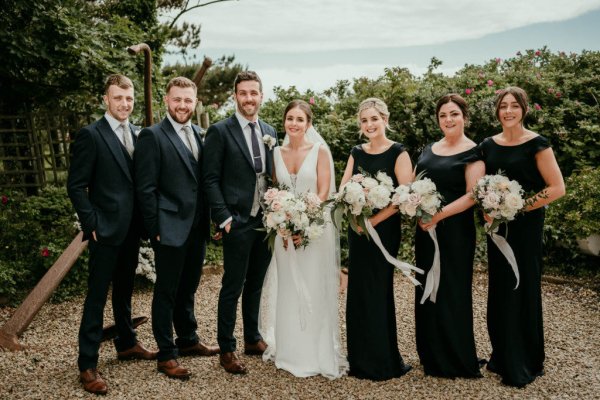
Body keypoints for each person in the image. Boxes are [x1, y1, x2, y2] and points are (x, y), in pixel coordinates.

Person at [67, 74, 157, 395]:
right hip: (104, 229)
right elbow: (76, 185)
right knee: (96, 295)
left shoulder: (139, 134)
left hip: (133, 229)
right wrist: (91, 220)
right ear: (106, 99)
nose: (124, 104)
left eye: (129, 98)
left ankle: (126, 343)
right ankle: (87, 363)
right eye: (118, 98)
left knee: (124, 290)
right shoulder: (91, 135)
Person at [478, 87, 565, 387]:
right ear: (497, 111)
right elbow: (481, 186)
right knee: (501, 287)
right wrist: (489, 207)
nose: (508, 111)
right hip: (497, 228)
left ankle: (526, 357)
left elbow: (556, 188)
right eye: (503, 106)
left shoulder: (537, 144)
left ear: (524, 109)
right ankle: (502, 354)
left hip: (525, 227)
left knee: (523, 284)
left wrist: (518, 206)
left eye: (514, 106)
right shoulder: (488, 145)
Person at [135, 76, 218, 381]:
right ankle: (166, 354)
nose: (183, 105)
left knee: (189, 287)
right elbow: (145, 189)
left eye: (188, 100)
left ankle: (188, 339)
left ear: (195, 103)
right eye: (177, 99)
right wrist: (154, 228)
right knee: (167, 291)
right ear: (166, 100)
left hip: (196, 226)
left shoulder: (199, 133)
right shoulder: (152, 136)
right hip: (168, 226)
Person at [259, 100, 348, 379]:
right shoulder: (275, 153)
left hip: (312, 232)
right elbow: (275, 191)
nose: (294, 123)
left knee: (312, 284)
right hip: (285, 235)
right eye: (289, 118)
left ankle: (313, 352)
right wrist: (284, 220)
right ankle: (289, 351)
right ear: (284, 121)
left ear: (309, 124)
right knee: (287, 287)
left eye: (300, 119)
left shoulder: (319, 151)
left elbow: (323, 192)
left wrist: (302, 221)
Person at [203, 71, 278, 374]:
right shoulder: (220, 131)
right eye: (243, 93)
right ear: (235, 96)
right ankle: (227, 347)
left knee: (256, 283)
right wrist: (223, 217)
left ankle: (252, 337)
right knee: (232, 285)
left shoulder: (270, 130)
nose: (249, 98)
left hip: (265, 221)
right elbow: (209, 179)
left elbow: (273, 176)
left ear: (261, 96)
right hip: (237, 220)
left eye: (254, 93)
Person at [340, 97, 413, 380]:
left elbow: (404, 196)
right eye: (364, 120)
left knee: (377, 289)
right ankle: (358, 358)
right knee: (358, 292)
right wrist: (356, 216)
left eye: (374, 119)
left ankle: (382, 359)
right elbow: (344, 189)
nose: (369, 125)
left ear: (385, 119)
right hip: (358, 230)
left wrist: (373, 221)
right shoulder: (356, 152)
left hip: (382, 230)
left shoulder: (399, 152)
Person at [414, 94, 485, 378]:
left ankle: (455, 356)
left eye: (454, 114)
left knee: (451, 290)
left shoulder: (474, 151)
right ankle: (431, 354)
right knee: (426, 287)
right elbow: (417, 185)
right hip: (425, 230)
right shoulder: (429, 148)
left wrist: (439, 215)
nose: (448, 119)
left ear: (464, 117)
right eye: (443, 115)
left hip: (455, 232)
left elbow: (473, 194)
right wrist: (417, 208)